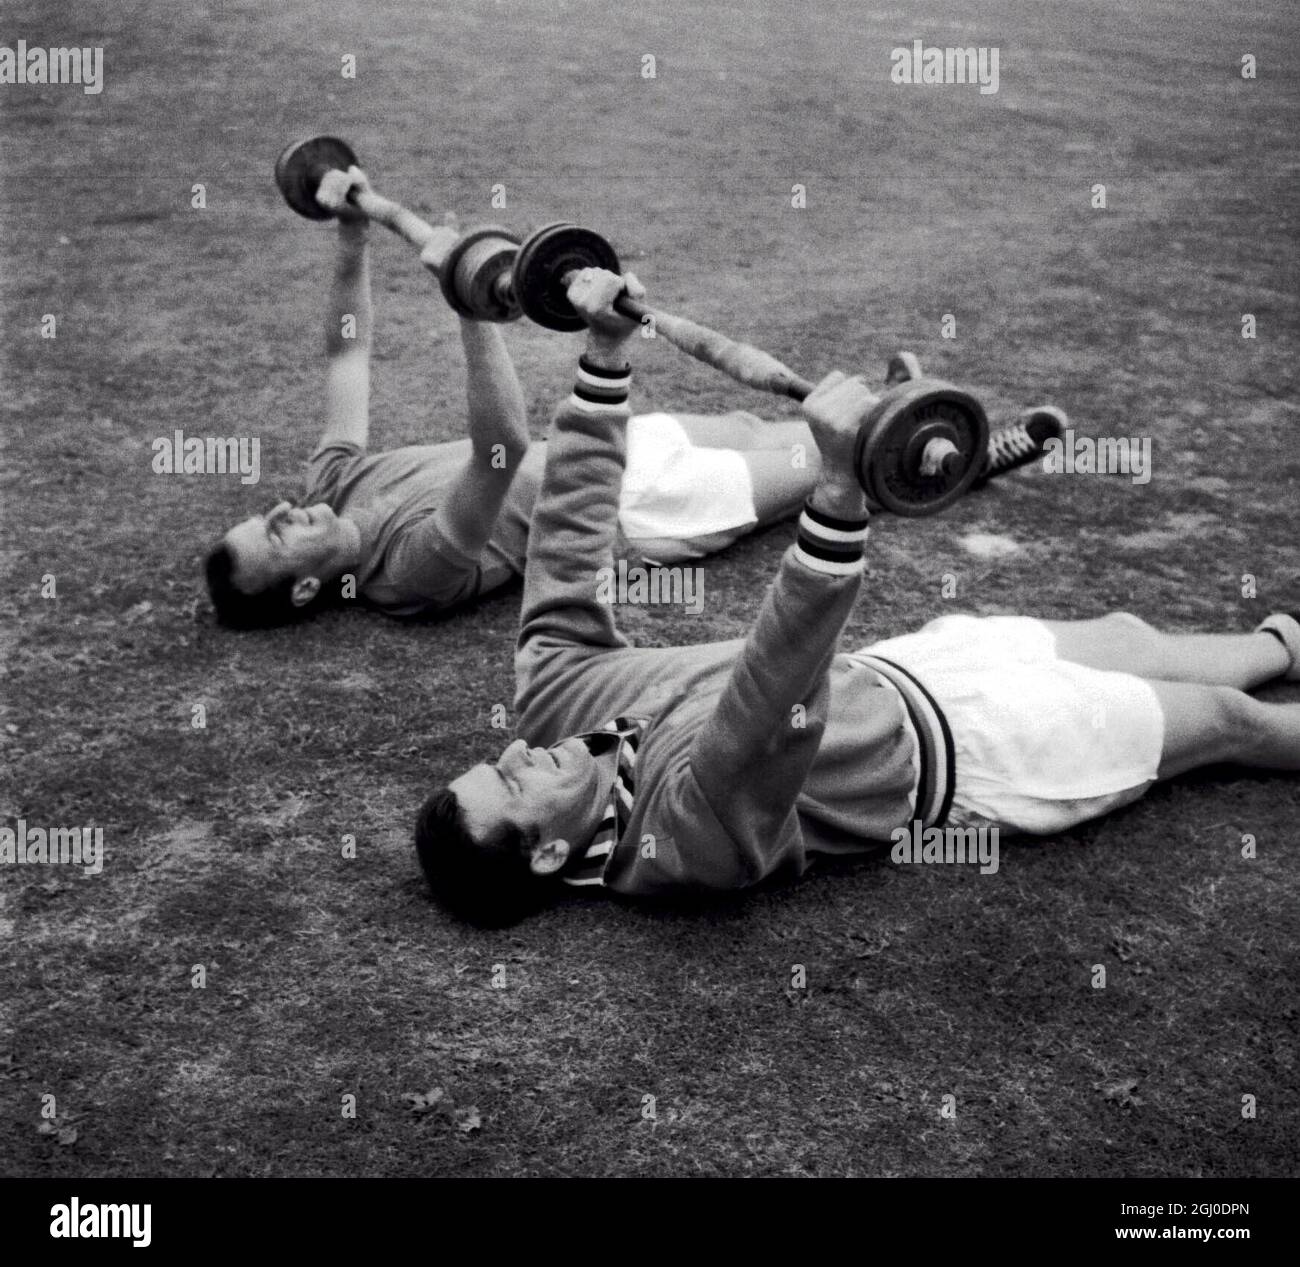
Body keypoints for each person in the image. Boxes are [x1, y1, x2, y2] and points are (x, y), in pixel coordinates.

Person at [413, 266, 1300, 927]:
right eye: (514, 785)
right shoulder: (683, 845)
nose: (520, 753)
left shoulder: (559, 718)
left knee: (1130, 633)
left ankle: (1284, 642)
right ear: (553, 852)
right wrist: (838, 490)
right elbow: (768, 697)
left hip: (909, 666)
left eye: (498, 761)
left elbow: (564, 552)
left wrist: (603, 360)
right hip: (984, 751)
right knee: (1226, 721)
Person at [203, 165, 819, 629]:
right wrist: (468, 306)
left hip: (601, 443)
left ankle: (897, 399)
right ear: (307, 589)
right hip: (635, 507)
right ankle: (897, 438)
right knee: (828, 462)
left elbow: (347, 354)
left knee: (757, 426)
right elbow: (500, 448)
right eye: (278, 536)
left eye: (267, 516)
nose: (284, 509)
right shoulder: (407, 575)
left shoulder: (332, 482)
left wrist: (352, 232)